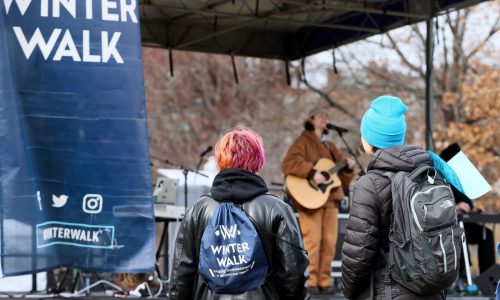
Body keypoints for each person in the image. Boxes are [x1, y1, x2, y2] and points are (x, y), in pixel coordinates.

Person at [169, 128, 309, 300]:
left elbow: (181, 275)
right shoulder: (277, 208)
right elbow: (293, 273)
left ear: (220, 161)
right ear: (258, 161)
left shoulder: (198, 210)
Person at [341, 96, 444, 299]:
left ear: (369, 141)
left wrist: (349, 291)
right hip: (434, 290)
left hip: (390, 291)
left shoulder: (369, 184)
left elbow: (358, 252)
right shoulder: (430, 174)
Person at [281, 107, 355, 295]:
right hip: (310, 201)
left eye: (326, 116)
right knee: (312, 242)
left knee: (329, 243)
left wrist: (348, 168)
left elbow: (341, 178)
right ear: (311, 119)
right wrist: (312, 172)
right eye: (321, 116)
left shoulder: (330, 145)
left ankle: (324, 281)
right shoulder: (303, 141)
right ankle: (311, 282)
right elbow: (287, 163)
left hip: (330, 200)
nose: (325, 119)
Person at [440, 143, 495, 277]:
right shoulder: (440, 180)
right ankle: (463, 275)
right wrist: (455, 207)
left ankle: (488, 278)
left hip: (465, 223)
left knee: (486, 234)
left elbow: (466, 204)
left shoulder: (459, 180)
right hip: (448, 227)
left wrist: (472, 209)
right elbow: (437, 206)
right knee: (461, 233)